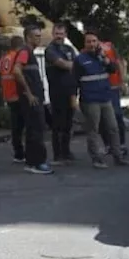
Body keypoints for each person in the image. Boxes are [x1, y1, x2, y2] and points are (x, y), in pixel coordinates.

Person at [74, 28, 129, 168]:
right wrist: (74, 99)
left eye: (94, 41)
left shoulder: (101, 57)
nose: (92, 44)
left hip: (105, 98)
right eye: (89, 42)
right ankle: (96, 158)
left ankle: (118, 156)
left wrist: (106, 60)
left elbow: (113, 69)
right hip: (90, 100)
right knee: (93, 130)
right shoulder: (80, 60)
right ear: (84, 44)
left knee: (113, 128)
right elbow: (75, 81)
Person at [12, 25, 53, 174]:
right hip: (32, 99)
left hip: (34, 98)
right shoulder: (25, 51)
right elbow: (16, 71)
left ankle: (31, 162)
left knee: (33, 130)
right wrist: (28, 93)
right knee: (37, 130)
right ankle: (38, 162)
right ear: (28, 37)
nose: (39, 38)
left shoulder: (30, 53)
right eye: (36, 36)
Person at [44, 23, 79, 162]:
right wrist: (72, 65)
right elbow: (62, 64)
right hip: (57, 92)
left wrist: (73, 66)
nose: (59, 36)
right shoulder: (50, 50)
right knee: (58, 124)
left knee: (68, 124)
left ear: (65, 34)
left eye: (61, 33)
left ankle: (66, 151)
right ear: (53, 34)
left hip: (71, 91)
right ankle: (58, 154)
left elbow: (76, 65)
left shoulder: (69, 48)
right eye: (57, 34)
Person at [0, 36, 26, 164]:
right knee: (23, 124)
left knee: (15, 126)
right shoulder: (17, 56)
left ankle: (18, 152)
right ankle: (22, 153)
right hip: (17, 93)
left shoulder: (5, 57)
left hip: (8, 95)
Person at [100, 37, 129, 155]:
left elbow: (119, 62)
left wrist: (122, 81)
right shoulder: (87, 49)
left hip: (113, 85)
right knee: (102, 118)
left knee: (117, 115)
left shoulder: (109, 45)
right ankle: (108, 145)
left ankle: (121, 144)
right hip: (100, 87)